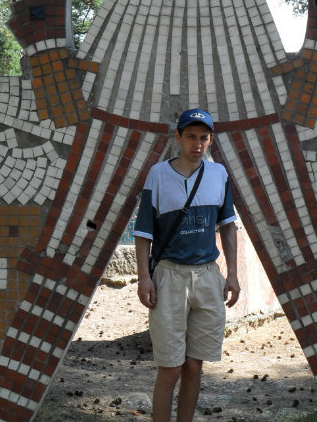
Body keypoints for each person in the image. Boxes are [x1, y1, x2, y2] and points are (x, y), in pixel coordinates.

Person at [133, 108, 241, 422]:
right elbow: (143, 231)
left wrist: (232, 274)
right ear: (178, 137)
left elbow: (228, 226)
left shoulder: (219, 174)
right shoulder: (158, 174)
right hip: (170, 276)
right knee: (170, 368)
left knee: (194, 366)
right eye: (191, 136)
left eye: (203, 137)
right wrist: (144, 277)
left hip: (208, 275)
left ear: (211, 140)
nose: (197, 144)